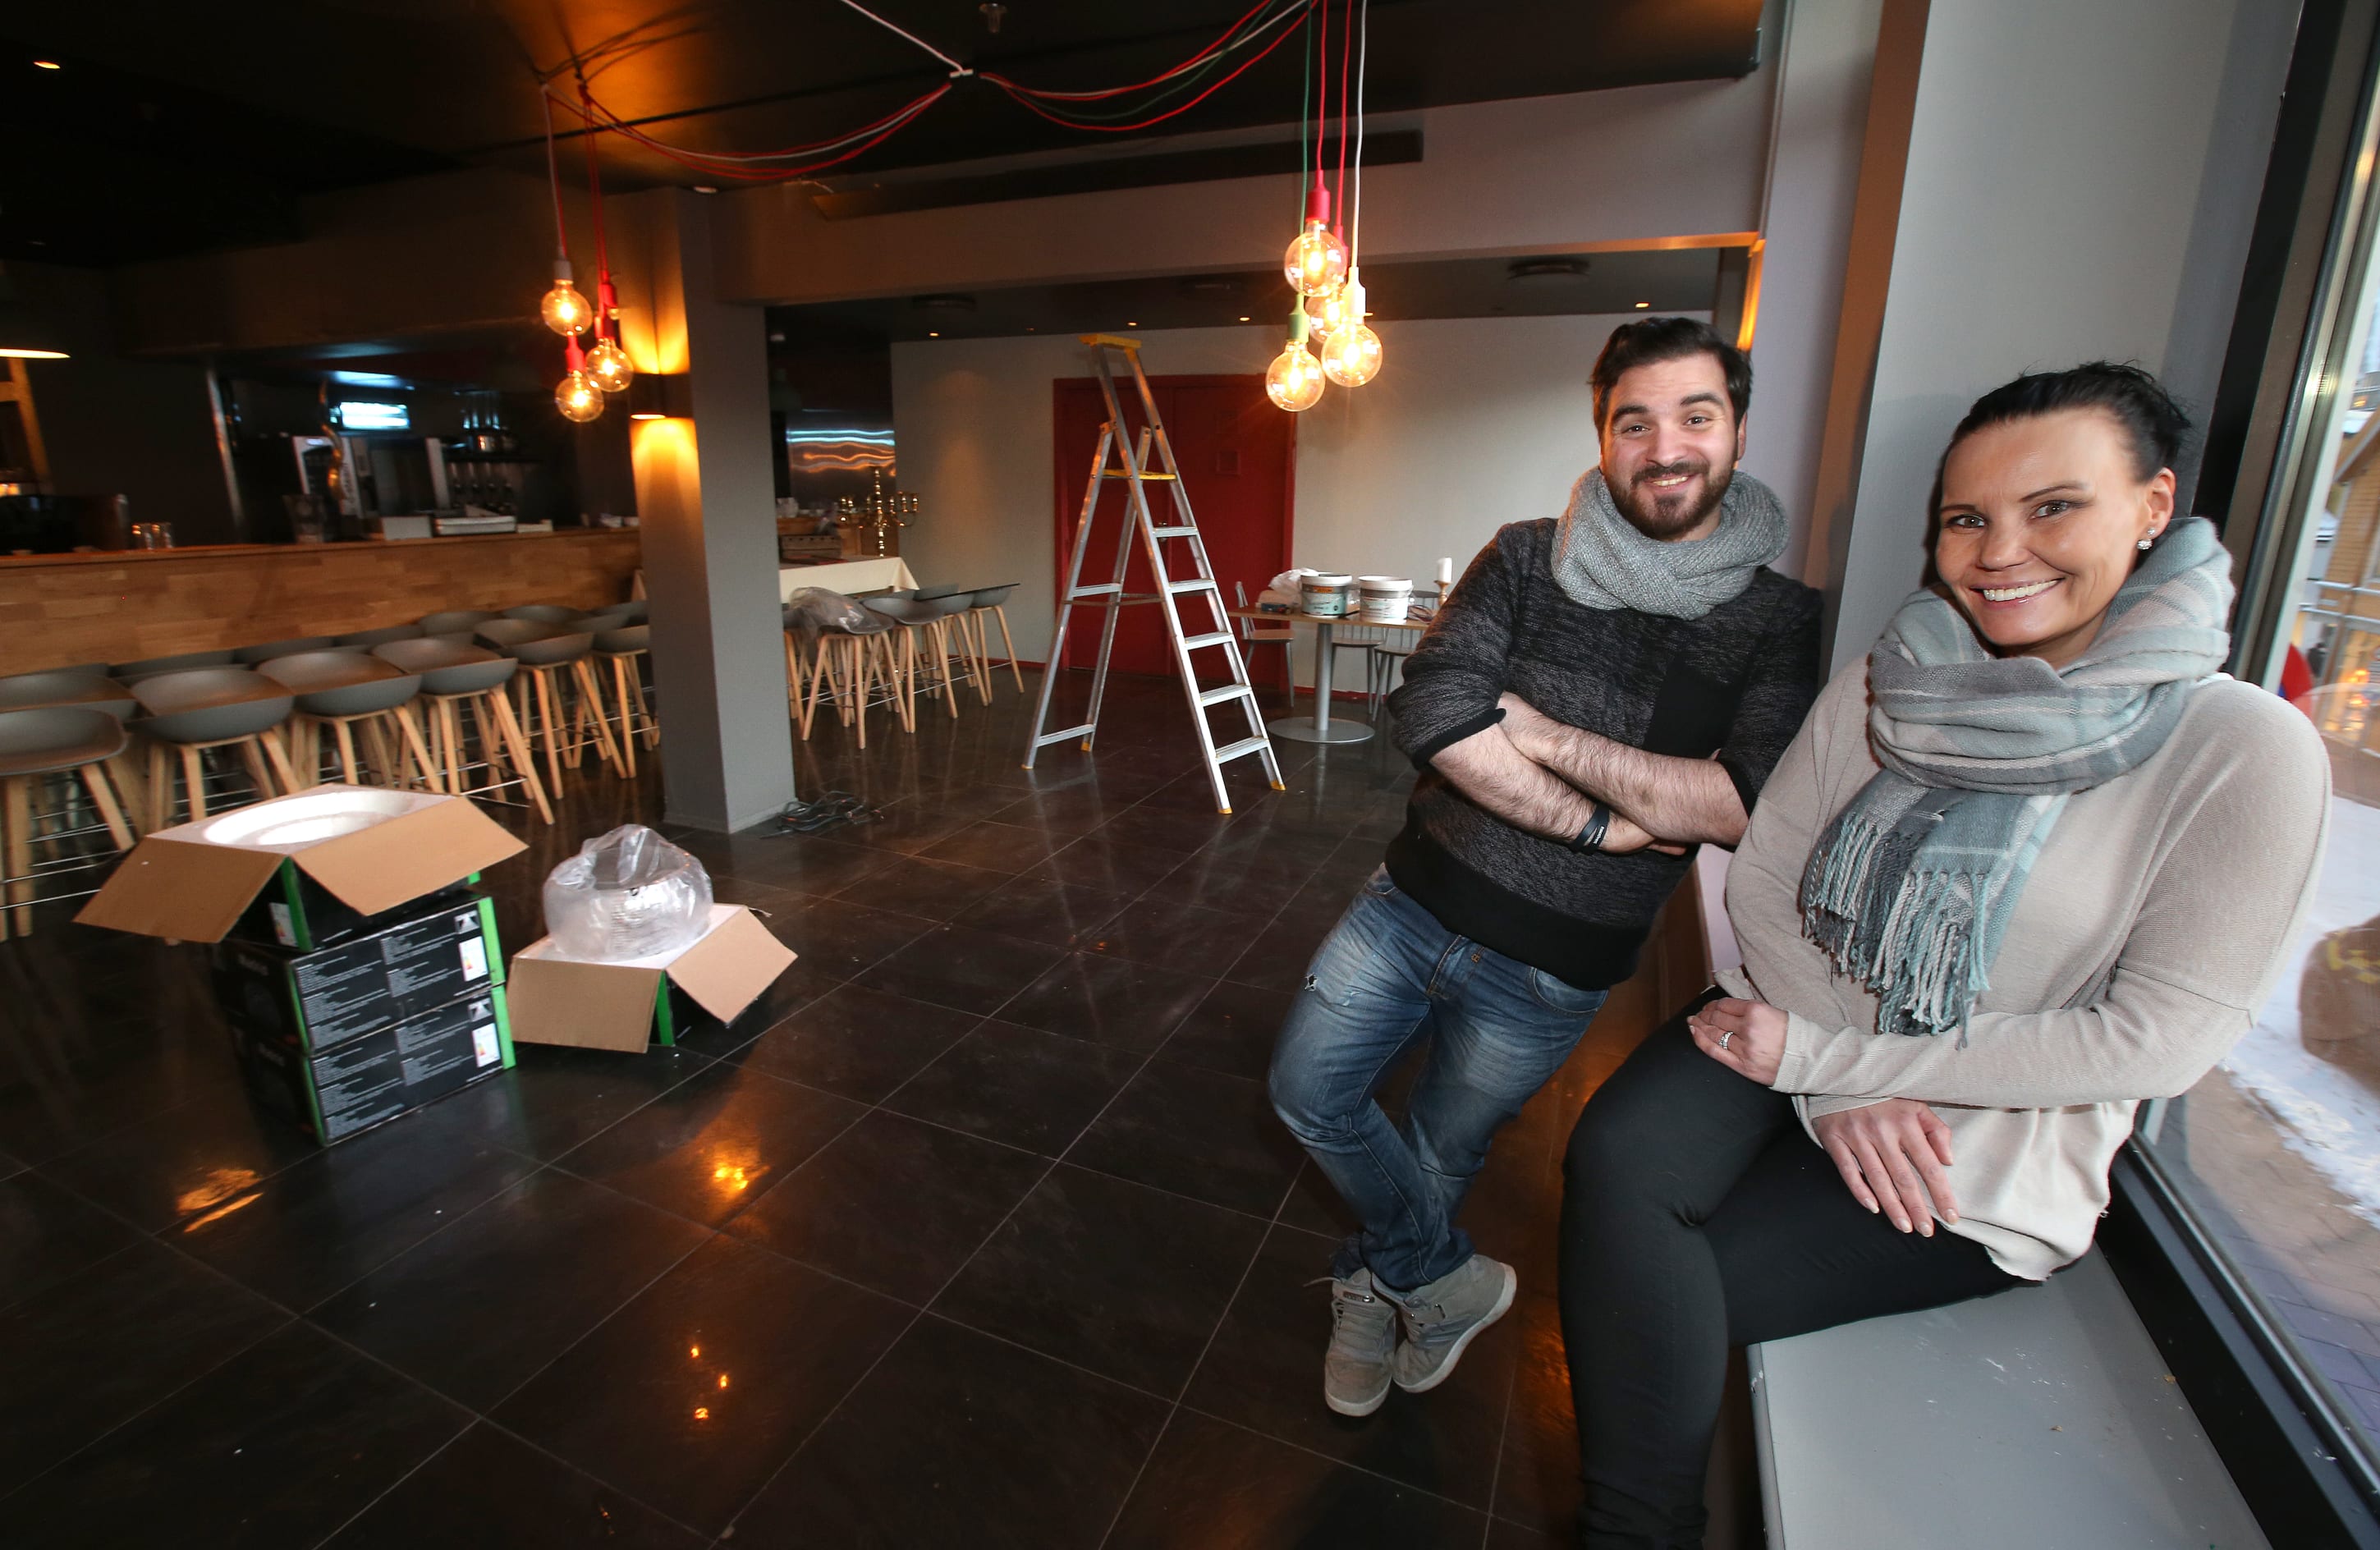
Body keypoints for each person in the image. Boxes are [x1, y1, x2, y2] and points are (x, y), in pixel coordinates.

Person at [1557, 363, 2332, 1548]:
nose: (1999, 551)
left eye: (2053, 507)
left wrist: (1840, 1066)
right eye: (1968, 518)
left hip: (1975, 1135)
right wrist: (1837, 1078)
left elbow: (2157, 1041)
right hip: (1792, 1020)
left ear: (2155, 504)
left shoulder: (2244, 749)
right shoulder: (1890, 678)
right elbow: (1767, 878)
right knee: (1613, 1156)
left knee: (1666, 1294)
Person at [1268, 316, 1823, 1419]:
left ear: (1737, 429)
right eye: (1634, 422)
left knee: (1441, 1151)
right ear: (1603, 436)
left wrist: (1538, 730)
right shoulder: (1527, 555)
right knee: (1306, 1093)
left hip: (1553, 969)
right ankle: (1443, 1280)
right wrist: (1606, 825)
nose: (1664, 447)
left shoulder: (1777, 619)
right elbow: (1434, 707)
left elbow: (1735, 800)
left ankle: (1376, 1290)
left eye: (1695, 416)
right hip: (1409, 906)